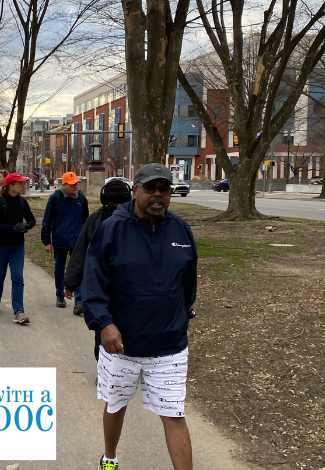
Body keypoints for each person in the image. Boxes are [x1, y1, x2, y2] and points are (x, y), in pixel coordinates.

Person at [81, 163, 198, 470]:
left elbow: (188, 284)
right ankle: (109, 457)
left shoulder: (181, 230)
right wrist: (104, 323)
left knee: (174, 414)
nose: (157, 195)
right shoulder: (112, 229)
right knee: (116, 405)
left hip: (169, 346)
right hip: (122, 347)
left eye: (164, 189)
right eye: (150, 189)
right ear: (135, 191)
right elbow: (93, 283)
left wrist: (181, 317)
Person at [64, 179, 132, 311]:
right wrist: (71, 283)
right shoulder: (95, 219)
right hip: (102, 284)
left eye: (121, 203)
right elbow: (81, 250)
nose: (117, 208)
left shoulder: (137, 220)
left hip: (130, 287)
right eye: (114, 203)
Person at [0, 173, 36, 324]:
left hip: (17, 246)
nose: (23, 186)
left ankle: (19, 311)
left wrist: (26, 225)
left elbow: (31, 219)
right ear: (11, 186)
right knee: (0, 275)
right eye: (20, 184)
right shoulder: (0, 203)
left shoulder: (22, 202)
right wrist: (13, 228)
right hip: (0, 246)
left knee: (18, 277)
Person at [40, 171, 89, 314]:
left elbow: (86, 220)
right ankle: (60, 295)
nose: (75, 187)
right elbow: (47, 220)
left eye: (77, 184)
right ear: (64, 185)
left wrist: (87, 238)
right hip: (60, 240)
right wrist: (46, 241)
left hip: (78, 241)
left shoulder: (81, 198)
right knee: (59, 269)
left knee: (79, 270)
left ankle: (79, 301)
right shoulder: (55, 198)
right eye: (72, 185)